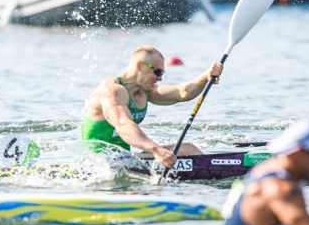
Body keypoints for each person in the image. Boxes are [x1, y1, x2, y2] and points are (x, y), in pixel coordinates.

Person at [81, 45, 223, 169]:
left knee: (188, 149)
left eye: (162, 73)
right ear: (139, 66)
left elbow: (182, 92)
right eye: (157, 72)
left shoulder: (144, 91)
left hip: (123, 157)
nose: (160, 78)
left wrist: (206, 76)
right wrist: (156, 150)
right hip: (99, 162)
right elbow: (123, 124)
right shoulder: (112, 90)